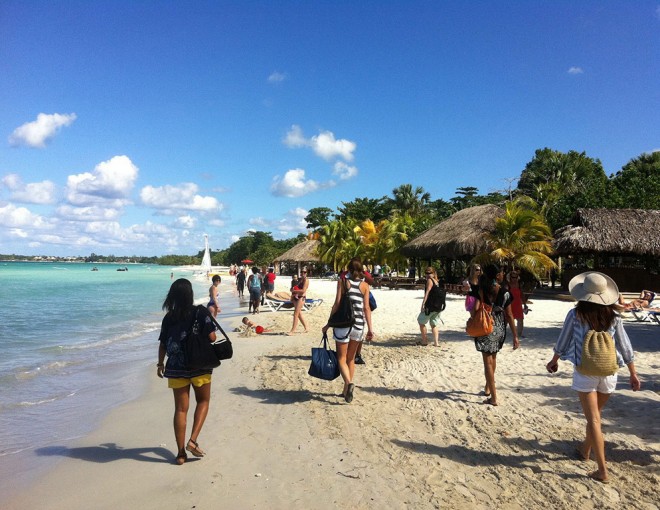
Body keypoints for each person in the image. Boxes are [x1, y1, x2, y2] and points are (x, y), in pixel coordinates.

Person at [546, 272, 640, 484]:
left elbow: (564, 339)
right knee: (595, 416)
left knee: (594, 420)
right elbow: (625, 346)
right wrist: (633, 373)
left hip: (585, 371)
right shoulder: (614, 317)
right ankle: (584, 450)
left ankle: (602, 470)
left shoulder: (575, 315)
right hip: (609, 372)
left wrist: (554, 360)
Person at [157, 278, 217, 465]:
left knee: (180, 409)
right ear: (189, 294)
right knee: (203, 401)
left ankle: (181, 454)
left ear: (172, 296)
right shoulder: (200, 312)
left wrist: (160, 364)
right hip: (200, 365)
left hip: (175, 367)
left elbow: (163, 344)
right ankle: (193, 440)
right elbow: (213, 337)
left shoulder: (169, 317)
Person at [323, 258, 374, 403]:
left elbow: (337, 304)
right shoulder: (365, 286)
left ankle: (348, 383)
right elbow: (366, 308)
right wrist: (370, 329)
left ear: (349, 269)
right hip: (358, 326)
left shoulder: (343, 282)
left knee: (341, 358)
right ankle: (346, 390)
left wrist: (328, 323)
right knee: (351, 359)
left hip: (343, 324)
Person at [471, 264, 520, 406]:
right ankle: (487, 388)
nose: (503, 274)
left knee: (487, 362)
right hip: (499, 328)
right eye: (501, 272)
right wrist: (515, 336)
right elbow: (510, 315)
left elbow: (474, 310)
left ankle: (493, 398)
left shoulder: (482, 290)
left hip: (486, 327)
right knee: (493, 358)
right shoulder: (505, 292)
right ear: (497, 275)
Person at [417, 266, 442, 347]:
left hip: (430, 306)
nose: (427, 275)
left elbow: (427, 293)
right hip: (437, 307)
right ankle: (436, 342)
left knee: (421, 322)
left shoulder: (429, 281)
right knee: (434, 324)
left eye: (429, 273)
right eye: (426, 273)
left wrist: (423, 304)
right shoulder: (436, 281)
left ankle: (424, 341)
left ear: (434, 273)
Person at [288, 268, 310, 334]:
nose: (303, 273)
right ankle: (306, 327)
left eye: (304, 272)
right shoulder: (301, 280)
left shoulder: (306, 280)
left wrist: (294, 291)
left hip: (301, 297)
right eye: (302, 272)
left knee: (296, 314)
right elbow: (297, 287)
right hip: (297, 297)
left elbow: (303, 290)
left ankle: (293, 330)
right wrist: (292, 291)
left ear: (307, 273)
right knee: (299, 314)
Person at [507, 270, 526, 337]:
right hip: (510, 304)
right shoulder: (508, 285)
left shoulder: (519, 285)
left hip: (518, 304)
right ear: (510, 277)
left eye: (515, 277)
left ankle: (519, 334)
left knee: (520, 319)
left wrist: (525, 304)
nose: (514, 279)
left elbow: (522, 294)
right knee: (507, 319)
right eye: (513, 277)